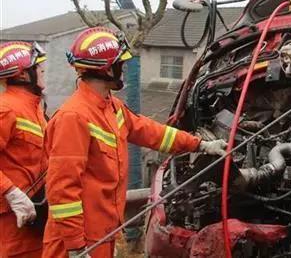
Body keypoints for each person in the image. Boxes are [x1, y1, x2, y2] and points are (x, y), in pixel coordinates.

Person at [42, 27, 227, 258]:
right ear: (107, 69)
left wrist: (199, 144)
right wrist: (76, 247)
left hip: (103, 235)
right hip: (77, 243)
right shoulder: (73, 117)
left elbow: (153, 133)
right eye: (120, 63)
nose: (123, 68)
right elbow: (62, 190)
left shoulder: (111, 106)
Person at [0, 41, 48, 258]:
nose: (43, 71)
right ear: (22, 74)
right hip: (12, 219)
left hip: (34, 213)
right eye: (38, 67)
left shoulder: (34, 107)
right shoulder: (6, 109)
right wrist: (10, 192)